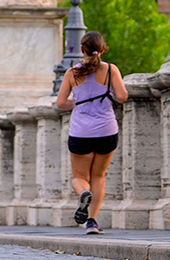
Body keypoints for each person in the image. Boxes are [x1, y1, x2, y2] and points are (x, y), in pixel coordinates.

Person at [56, 31, 129, 234]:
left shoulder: (72, 73)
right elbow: (122, 97)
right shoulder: (111, 70)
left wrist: (77, 103)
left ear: (82, 50)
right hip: (106, 130)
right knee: (99, 176)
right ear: (103, 49)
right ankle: (92, 222)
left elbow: (61, 103)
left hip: (81, 132)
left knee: (79, 176)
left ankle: (83, 193)